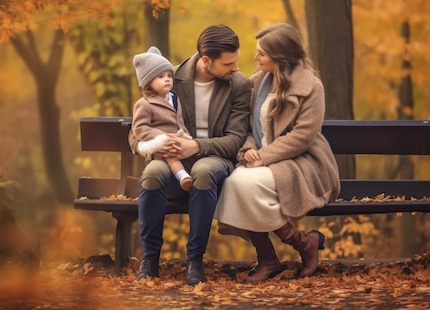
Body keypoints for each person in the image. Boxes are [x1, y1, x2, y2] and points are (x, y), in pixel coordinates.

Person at [213, 23, 341, 282]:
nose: (255, 57)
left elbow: (303, 136)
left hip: (300, 160)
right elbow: (246, 125)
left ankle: (287, 250)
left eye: (262, 53)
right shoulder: (257, 81)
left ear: (280, 56)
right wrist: (249, 147)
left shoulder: (312, 87)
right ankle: (290, 248)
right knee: (234, 182)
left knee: (243, 186)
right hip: (260, 159)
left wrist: (264, 156)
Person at [129, 25, 252, 285]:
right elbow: (137, 129)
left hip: (213, 158)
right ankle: (150, 258)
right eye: (229, 63)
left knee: (204, 171)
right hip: (173, 159)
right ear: (206, 61)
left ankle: (195, 259)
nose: (236, 69)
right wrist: (153, 145)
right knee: (151, 173)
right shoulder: (170, 78)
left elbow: (235, 140)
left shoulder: (239, 86)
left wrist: (196, 146)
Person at [132, 46, 193, 191]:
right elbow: (140, 128)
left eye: (169, 76)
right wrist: (162, 137)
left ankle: (187, 178)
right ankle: (182, 176)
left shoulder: (174, 98)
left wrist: (183, 136)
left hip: (176, 142)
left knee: (179, 150)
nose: (167, 80)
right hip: (158, 147)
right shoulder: (144, 104)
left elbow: (179, 122)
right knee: (169, 154)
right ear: (148, 82)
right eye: (160, 77)